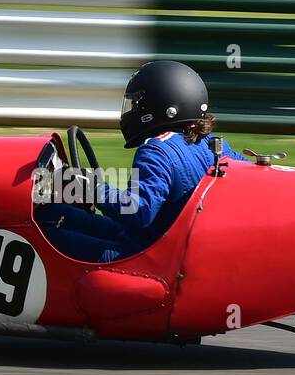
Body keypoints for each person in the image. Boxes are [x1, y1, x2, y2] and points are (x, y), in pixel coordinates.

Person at [37, 60, 251, 262]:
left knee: (39, 237)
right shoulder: (214, 145)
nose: (133, 109)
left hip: (149, 256)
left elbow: (140, 211)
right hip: (171, 244)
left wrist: (93, 190)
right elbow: (248, 175)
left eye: (137, 101)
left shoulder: (156, 150)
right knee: (52, 213)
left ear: (161, 105)